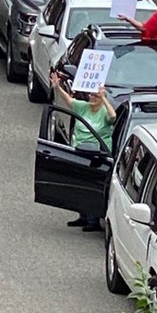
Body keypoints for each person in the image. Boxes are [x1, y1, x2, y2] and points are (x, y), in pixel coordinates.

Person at [49, 71, 116, 232]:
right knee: (79, 183)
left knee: (92, 186)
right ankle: (82, 216)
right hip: (79, 151)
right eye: (91, 95)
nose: (92, 98)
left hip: (97, 155)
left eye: (96, 96)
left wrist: (104, 98)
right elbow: (69, 101)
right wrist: (57, 88)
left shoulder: (104, 113)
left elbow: (113, 116)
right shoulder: (83, 107)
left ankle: (93, 220)